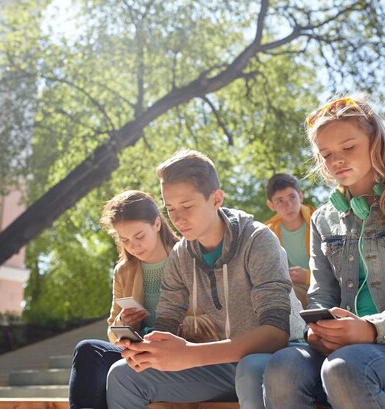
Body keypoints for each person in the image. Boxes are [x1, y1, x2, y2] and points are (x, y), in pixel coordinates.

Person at [264, 94, 385, 409]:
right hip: (344, 352)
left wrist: (371, 328)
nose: (336, 160)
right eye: (326, 154)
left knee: (347, 368)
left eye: (348, 148)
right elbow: (321, 297)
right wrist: (318, 331)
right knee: (283, 366)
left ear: (375, 143)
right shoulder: (323, 219)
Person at [106, 150, 305, 409]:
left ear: (216, 199)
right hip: (218, 364)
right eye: (170, 209)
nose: (177, 218)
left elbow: (276, 334)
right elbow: (165, 324)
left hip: (280, 357)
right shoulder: (180, 254)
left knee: (250, 368)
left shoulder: (258, 239)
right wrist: (145, 349)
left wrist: (189, 354)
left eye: (187, 206)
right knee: (122, 375)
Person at [68, 190, 217, 409]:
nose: (134, 246)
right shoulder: (124, 271)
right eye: (125, 240)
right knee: (88, 350)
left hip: (185, 353)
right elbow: (113, 330)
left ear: (157, 224)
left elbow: (216, 321)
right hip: (140, 354)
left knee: (114, 374)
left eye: (139, 236)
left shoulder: (191, 258)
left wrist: (165, 334)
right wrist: (125, 324)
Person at [265, 173, 315, 308]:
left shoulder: (318, 221)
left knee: (283, 300)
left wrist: (307, 276)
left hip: (320, 287)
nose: (288, 205)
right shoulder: (268, 233)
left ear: (300, 196)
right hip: (289, 288)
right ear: (271, 205)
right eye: (280, 201)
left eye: (292, 197)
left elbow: (337, 268)